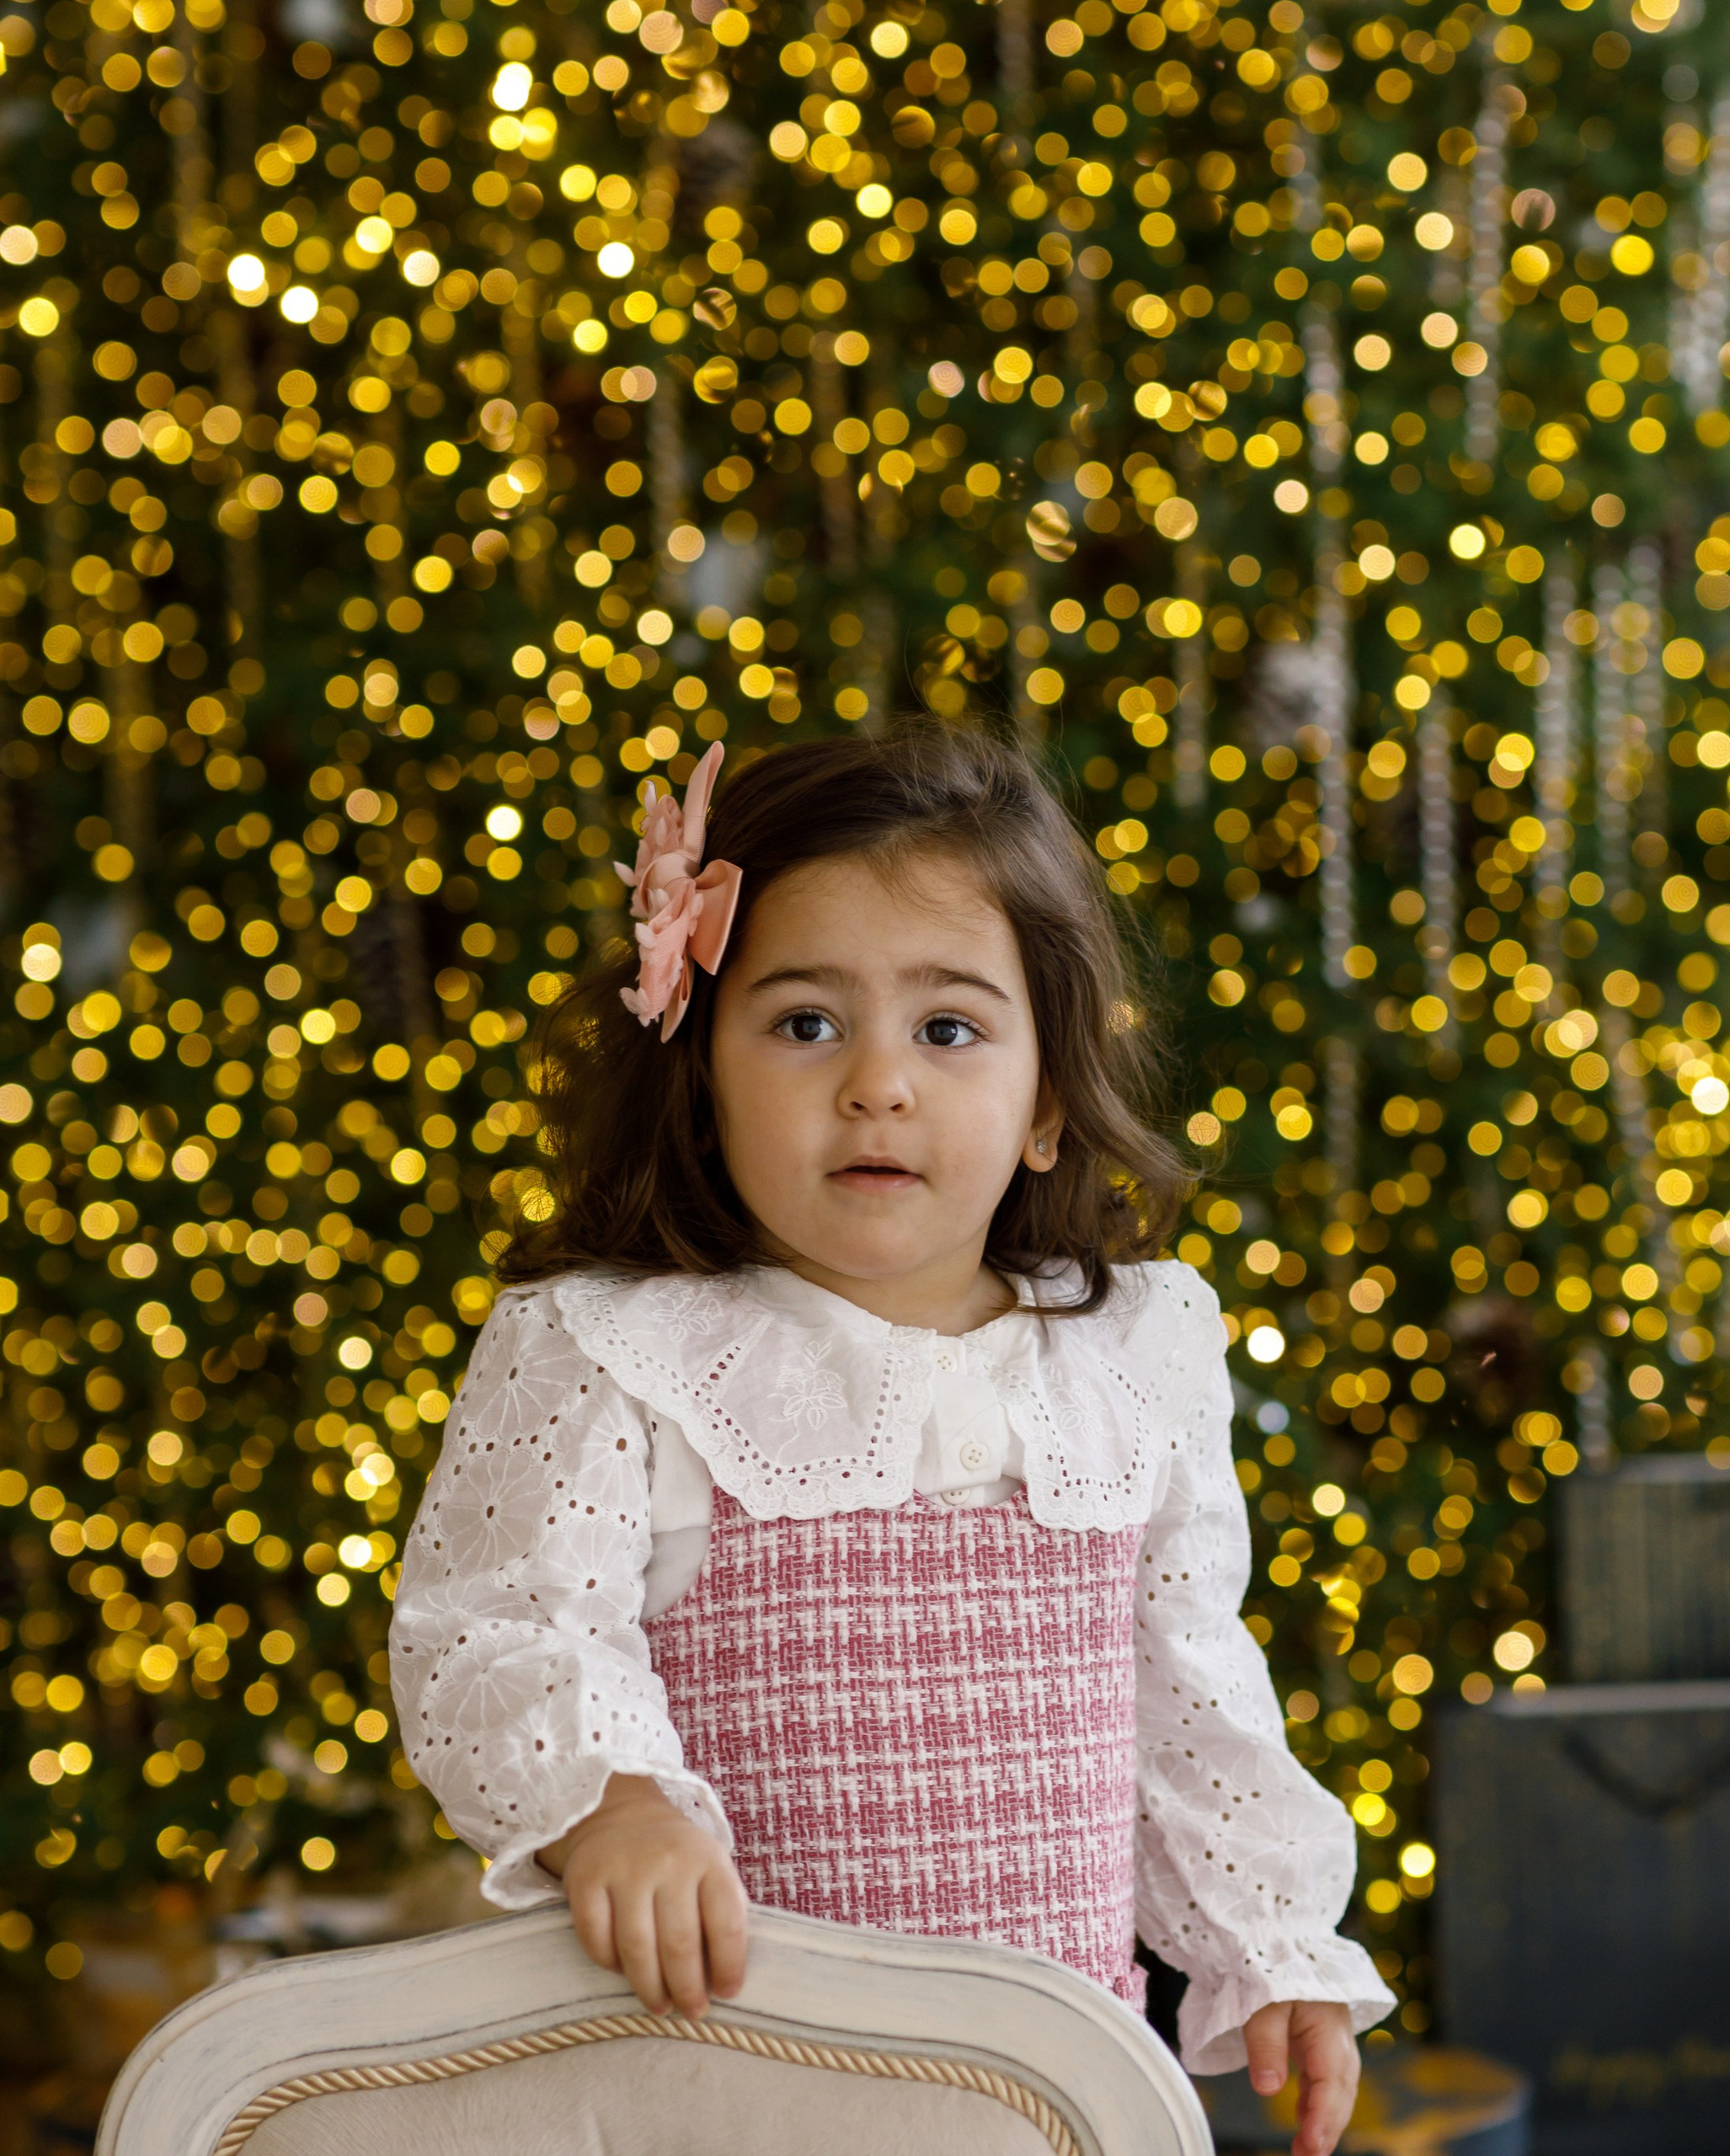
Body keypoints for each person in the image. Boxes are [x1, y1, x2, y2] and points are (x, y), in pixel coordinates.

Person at [390, 727, 1391, 2155]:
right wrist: (614, 1808)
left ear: (1047, 1103)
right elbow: (496, 1629)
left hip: (1049, 2101)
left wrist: (1273, 1940)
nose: (878, 1083)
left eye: (949, 1030)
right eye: (805, 1024)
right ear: (704, 1071)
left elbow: (1191, 1695)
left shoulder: (1131, 1353)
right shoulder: (612, 1351)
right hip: (730, 2101)